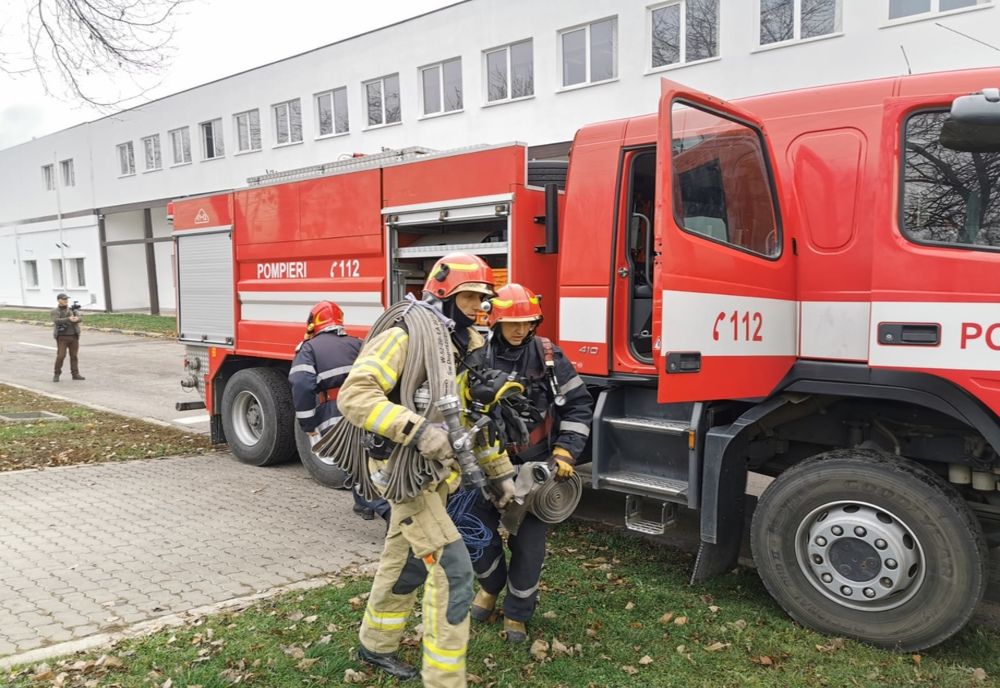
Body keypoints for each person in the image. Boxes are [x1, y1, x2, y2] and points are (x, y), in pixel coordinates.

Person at [338, 252, 516, 687]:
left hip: (438, 472)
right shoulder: (404, 335)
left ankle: (375, 643)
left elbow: (473, 417)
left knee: (405, 561)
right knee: (454, 568)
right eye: (470, 296)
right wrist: (417, 431)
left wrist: (500, 472)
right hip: (404, 469)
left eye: (482, 297)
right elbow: (354, 395)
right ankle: (444, 678)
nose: (478, 306)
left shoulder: (469, 344)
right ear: (444, 294)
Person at [469, 282, 593, 643]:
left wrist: (566, 451)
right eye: (513, 323)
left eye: (527, 322)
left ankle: (518, 612)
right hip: (483, 467)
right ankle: (491, 587)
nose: (521, 330)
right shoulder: (476, 355)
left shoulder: (549, 356)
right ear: (496, 322)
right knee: (475, 534)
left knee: (529, 545)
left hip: (534, 468)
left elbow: (578, 405)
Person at [287, 300, 389, 522]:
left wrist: (308, 425)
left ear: (313, 323)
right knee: (361, 455)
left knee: (351, 459)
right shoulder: (358, 343)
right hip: (366, 407)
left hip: (334, 411)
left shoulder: (308, 349)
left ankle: (387, 511)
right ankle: (363, 505)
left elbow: (302, 384)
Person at [51, 293, 85, 382]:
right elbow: (56, 321)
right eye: (63, 299)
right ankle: (56, 374)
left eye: (67, 299)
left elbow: (80, 318)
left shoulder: (72, 310)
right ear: (59, 300)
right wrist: (68, 319)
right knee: (61, 356)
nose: (66, 300)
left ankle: (75, 374)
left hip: (74, 336)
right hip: (62, 337)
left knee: (74, 356)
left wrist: (77, 319)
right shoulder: (55, 311)